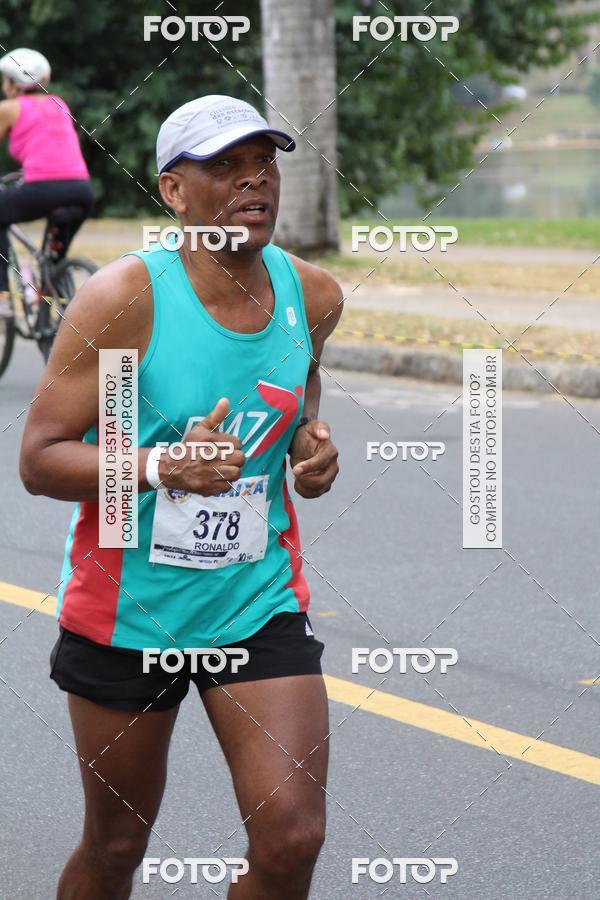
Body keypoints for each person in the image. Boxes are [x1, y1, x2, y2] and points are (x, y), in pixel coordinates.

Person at [20, 94, 343, 899]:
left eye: (263, 163)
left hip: (255, 598)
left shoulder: (314, 295)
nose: (252, 181)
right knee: (117, 844)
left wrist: (309, 445)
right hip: (129, 607)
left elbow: (294, 391)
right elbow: (41, 458)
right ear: (173, 193)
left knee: (292, 837)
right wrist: (166, 467)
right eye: (224, 166)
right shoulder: (124, 301)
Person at [0, 48, 94, 295]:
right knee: (53, 262)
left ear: (12, 83)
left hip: (43, 189)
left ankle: (3, 296)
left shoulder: (8, 108)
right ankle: (52, 312)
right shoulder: (59, 103)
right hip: (82, 190)